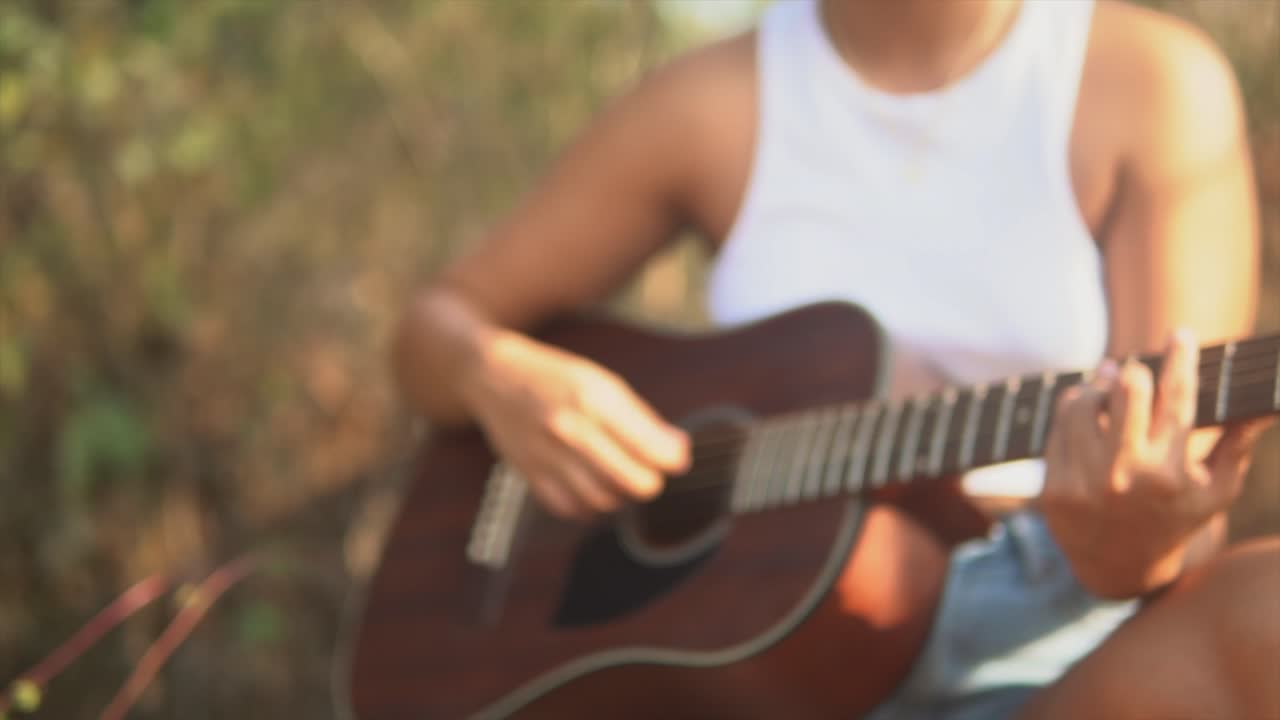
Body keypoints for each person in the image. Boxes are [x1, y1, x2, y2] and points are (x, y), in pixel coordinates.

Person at [392, 0, 1279, 717]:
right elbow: (432, 331)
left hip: (1051, 617)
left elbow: (1186, 508)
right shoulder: (704, 103)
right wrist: (496, 374)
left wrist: (1124, 555)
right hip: (745, 659)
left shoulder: (1153, 80)